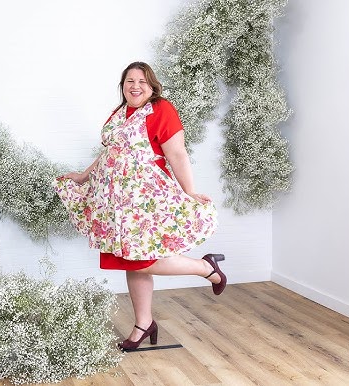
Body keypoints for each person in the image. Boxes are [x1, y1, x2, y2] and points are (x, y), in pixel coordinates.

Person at [52, 61, 227, 352]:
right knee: (132, 261)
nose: (135, 86)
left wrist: (190, 191)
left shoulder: (160, 110)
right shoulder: (120, 113)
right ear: (122, 86)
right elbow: (110, 151)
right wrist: (84, 176)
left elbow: (178, 154)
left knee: (142, 259)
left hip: (145, 200)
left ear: (152, 86)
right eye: (129, 81)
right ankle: (143, 323)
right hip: (117, 202)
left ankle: (205, 267)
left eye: (142, 81)